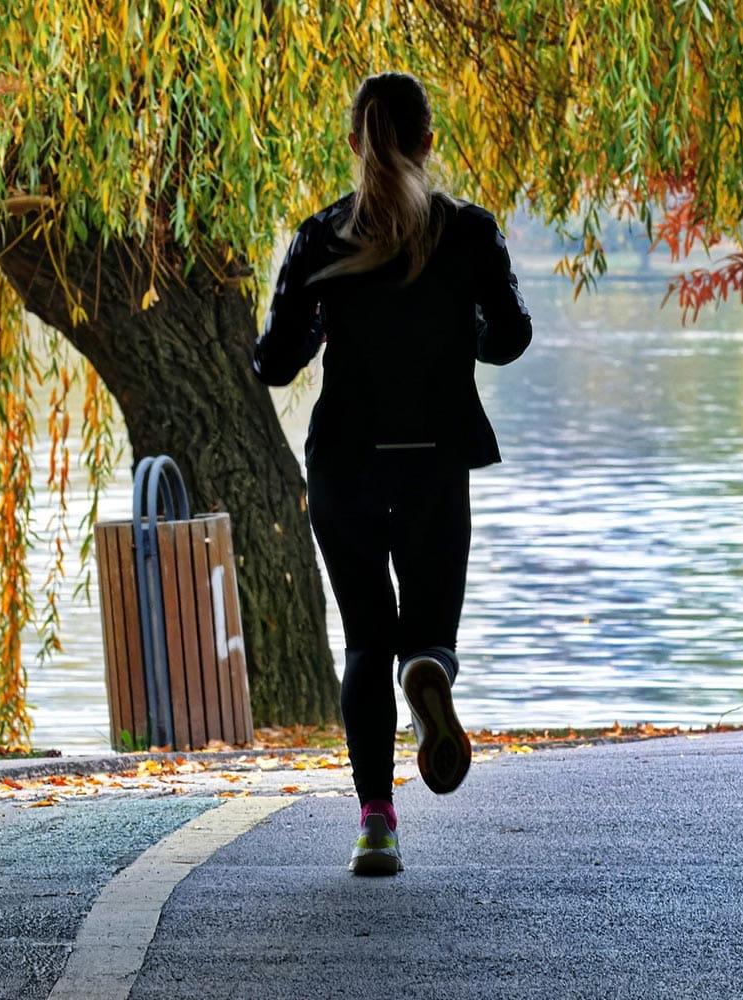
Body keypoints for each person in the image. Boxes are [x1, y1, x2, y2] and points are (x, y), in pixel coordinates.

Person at [252, 72, 532, 875]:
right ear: (428, 141)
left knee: (364, 642)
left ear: (355, 143)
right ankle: (431, 671)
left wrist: (304, 329)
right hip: (436, 460)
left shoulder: (321, 237)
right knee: (426, 633)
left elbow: (278, 362)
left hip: (346, 463)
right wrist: (459, 326)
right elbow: (510, 336)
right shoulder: (469, 232)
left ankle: (377, 824)